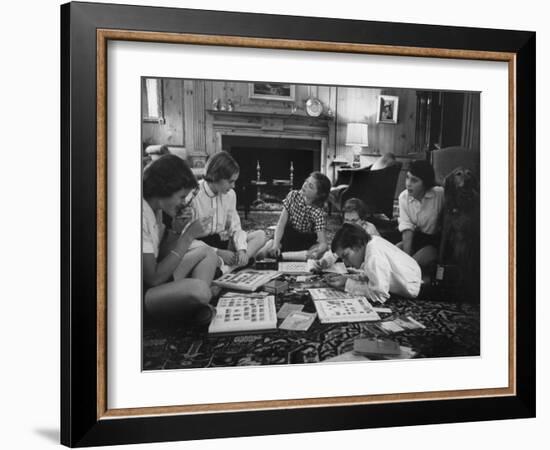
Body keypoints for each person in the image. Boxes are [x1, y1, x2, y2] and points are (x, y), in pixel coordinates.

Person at [142, 154, 218, 326]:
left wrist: (176, 229)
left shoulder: (157, 210)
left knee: (207, 253)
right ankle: (194, 305)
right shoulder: (140, 215)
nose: (183, 203)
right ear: (164, 189)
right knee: (201, 289)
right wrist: (188, 236)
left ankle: (195, 306)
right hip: (141, 293)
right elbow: (153, 278)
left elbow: (162, 256)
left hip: (156, 282)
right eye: (181, 197)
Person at [190, 151, 266, 269]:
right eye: (230, 181)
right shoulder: (193, 195)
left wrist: (242, 250)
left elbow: (236, 228)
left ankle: (228, 268)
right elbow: (187, 239)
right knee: (203, 259)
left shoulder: (230, 195)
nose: (233, 186)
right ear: (216, 176)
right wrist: (218, 252)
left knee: (260, 235)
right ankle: (229, 267)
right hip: (202, 248)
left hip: (224, 243)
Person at [325, 223, 421, 304]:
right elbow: (371, 275)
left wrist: (347, 284)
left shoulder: (374, 256)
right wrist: (347, 279)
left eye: (346, 256)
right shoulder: (371, 241)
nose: (345, 263)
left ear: (357, 244)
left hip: (415, 289)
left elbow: (379, 295)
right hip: (413, 276)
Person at [258, 172, 331, 260]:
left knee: (322, 251)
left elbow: (323, 242)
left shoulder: (318, 212)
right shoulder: (293, 196)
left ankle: (283, 256)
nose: (305, 185)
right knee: (263, 252)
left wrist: (320, 250)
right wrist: (276, 244)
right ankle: (273, 252)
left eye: (310, 186)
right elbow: (281, 224)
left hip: (305, 242)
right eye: (306, 182)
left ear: (319, 195)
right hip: (286, 237)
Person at [397, 159, 445, 279]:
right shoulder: (403, 197)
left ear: (425, 183)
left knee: (413, 263)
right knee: (394, 252)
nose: (408, 183)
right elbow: (407, 230)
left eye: (414, 180)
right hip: (415, 238)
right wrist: (405, 258)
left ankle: (404, 282)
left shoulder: (439, 195)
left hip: (434, 242)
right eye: (407, 177)